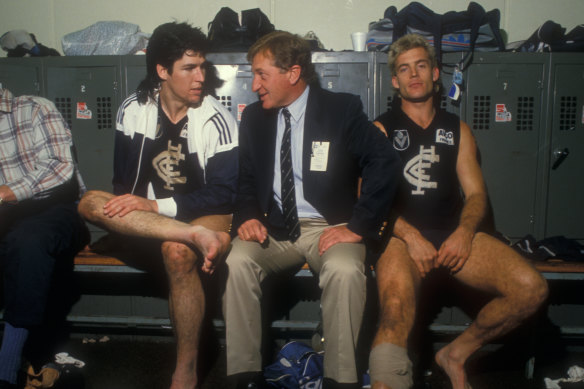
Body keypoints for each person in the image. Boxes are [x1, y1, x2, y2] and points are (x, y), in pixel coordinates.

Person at [368, 34, 549, 389]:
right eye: (404, 69)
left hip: (452, 233)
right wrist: (412, 237)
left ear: (436, 73)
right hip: (400, 237)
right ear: (395, 80)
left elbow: (477, 194)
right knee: (394, 310)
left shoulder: (458, 129)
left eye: (421, 66)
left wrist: (464, 233)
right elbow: (369, 200)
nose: (414, 74)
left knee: (531, 289)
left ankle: (455, 353)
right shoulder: (380, 130)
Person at [223, 31, 401, 389]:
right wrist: (247, 216)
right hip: (275, 228)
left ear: (292, 73)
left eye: (262, 74)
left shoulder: (341, 109)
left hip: (329, 226)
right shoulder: (254, 119)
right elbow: (245, 181)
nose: (254, 84)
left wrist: (359, 224)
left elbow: (385, 163)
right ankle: (244, 377)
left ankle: (340, 380)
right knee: (237, 262)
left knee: (346, 270)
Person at [77, 22, 236, 389]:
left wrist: (155, 207)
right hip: (156, 218)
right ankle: (187, 235)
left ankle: (186, 369)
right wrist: (135, 216)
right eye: (189, 68)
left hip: (202, 213)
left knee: (177, 251)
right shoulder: (133, 109)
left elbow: (225, 194)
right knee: (88, 201)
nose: (201, 77)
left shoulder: (216, 119)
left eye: (203, 67)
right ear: (162, 71)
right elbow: (122, 187)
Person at [0, 87, 89, 388]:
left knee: (27, 242)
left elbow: (59, 166)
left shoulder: (35, 109)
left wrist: (7, 192)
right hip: (7, 217)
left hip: (57, 208)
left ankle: (7, 369)